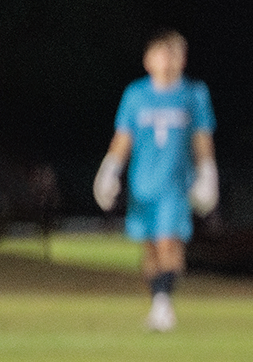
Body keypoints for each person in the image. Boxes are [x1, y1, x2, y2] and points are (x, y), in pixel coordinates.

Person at [93, 29, 219, 332]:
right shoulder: (136, 95)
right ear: (148, 59)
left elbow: (202, 138)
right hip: (142, 186)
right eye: (162, 54)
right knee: (150, 248)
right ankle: (158, 304)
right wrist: (109, 170)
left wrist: (207, 173)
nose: (167, 61)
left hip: (175, 185)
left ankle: (164, 304)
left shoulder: (193, 94)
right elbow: (124, 137)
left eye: (174, 54)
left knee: (168, 242)